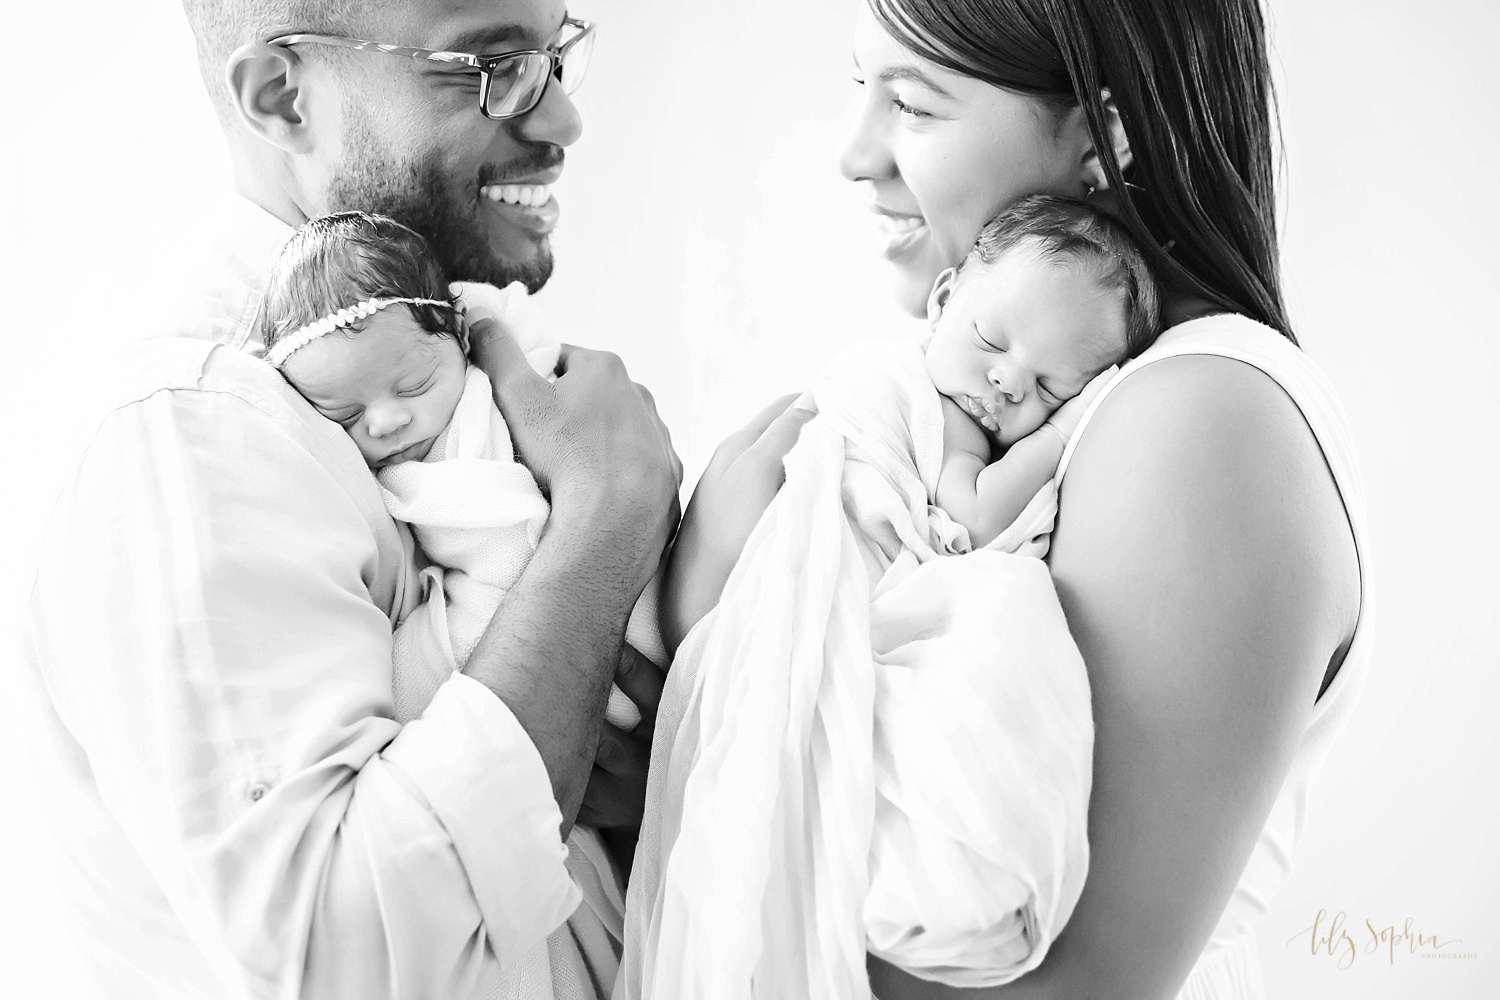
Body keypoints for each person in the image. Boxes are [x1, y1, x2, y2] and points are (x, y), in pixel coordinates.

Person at [663, 1, 1369, 998]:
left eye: (911, 103)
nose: (855, 155)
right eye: (858, 89)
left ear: (1105, 136)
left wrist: (708, 648)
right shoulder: (1088, 406)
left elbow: (1051, 980)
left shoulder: (1203, 421)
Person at [22, 2, 680, 998]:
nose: (561, 121)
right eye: (492, 62)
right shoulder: (195, 429)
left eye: (554, 55)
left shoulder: (446, 370)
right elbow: (347, 955)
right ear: (285, 97)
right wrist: (604, 525)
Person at [623, 197, 1158, 998]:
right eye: (990, 339)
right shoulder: (915, 395)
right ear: (944, 300)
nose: (1008, 380)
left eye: (1053, 384)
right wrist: (1062, 427)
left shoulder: (962, 409)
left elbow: (960, 519)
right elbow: (974, 515)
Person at [259, 210, 662, 732]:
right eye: (346, 416)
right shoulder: (357, 483)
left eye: (414, 386)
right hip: (572, 633)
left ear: (459, 337)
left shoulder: (488, 392)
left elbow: (509, 553)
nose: (386, 422)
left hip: (633, 582)